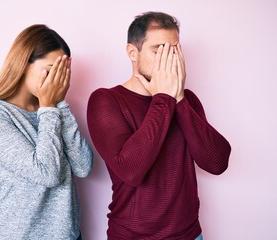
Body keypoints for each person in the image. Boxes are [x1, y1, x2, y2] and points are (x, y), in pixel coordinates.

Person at [87, 12, 231, 240]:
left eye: (174, 50)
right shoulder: (106, 100)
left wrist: (179, 98)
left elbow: (217, 163)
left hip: (190, 235)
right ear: (133, 53)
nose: (169, 59)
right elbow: (131, 171)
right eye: (158, 50)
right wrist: (163, 97)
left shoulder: (187, 100)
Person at [0, 24, 93, 240]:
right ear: (24, 64)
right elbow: (47, 174)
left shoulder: (52, 110)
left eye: (61, 72)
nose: (55, 79)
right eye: (50, 70)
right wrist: (49, 107)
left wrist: (59, 103)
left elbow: (83, 167)